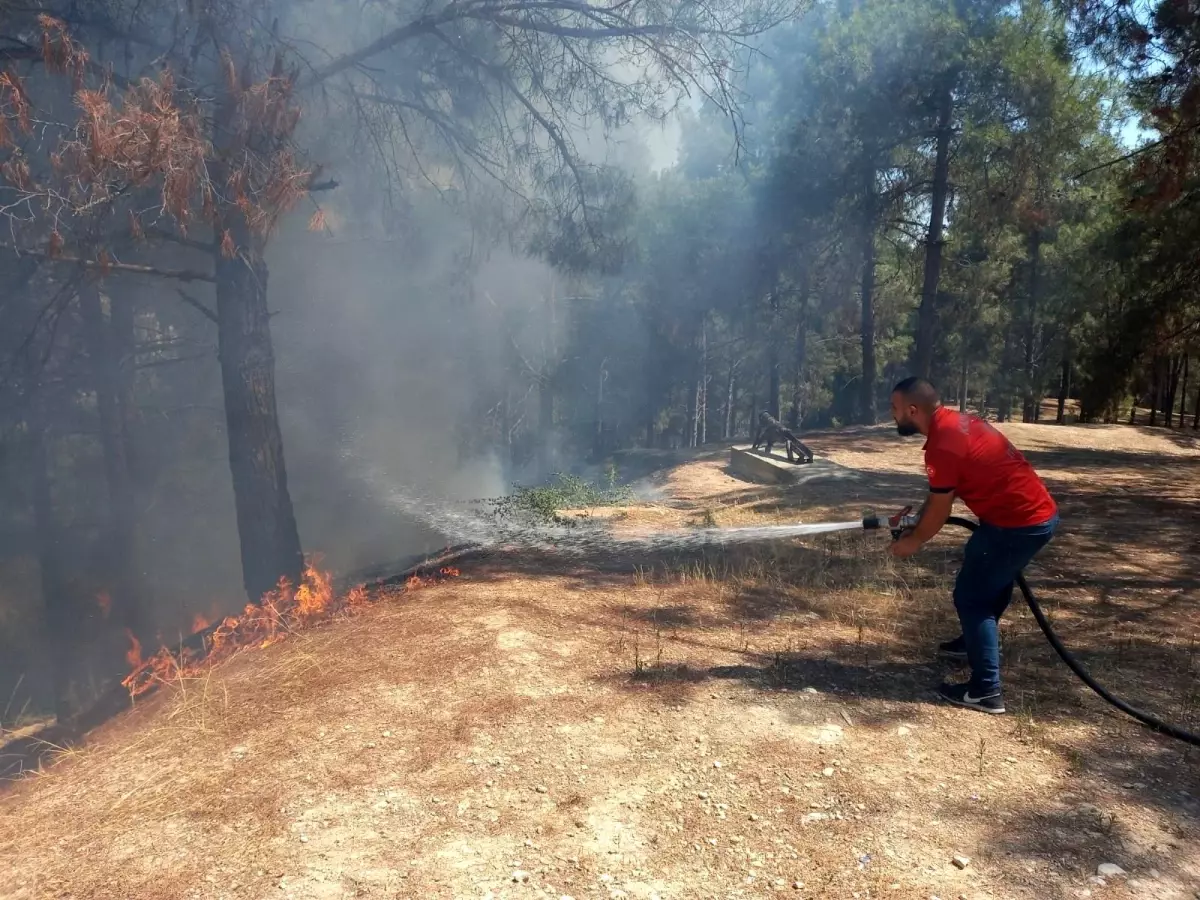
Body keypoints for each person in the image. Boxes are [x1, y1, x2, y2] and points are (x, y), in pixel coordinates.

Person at [887, 377, 1059, 715]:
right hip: (1028, 518)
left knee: (972, 597)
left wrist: (915, 541)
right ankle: (973, 642)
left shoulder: (943, 442)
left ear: (912, 409)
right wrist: (913, 523)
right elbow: (941, 493)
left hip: (1018, 525)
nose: (891, 415)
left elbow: (940, 508)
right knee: (990, 582)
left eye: (894, 408)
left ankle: (985, 691)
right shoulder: (956, 424)